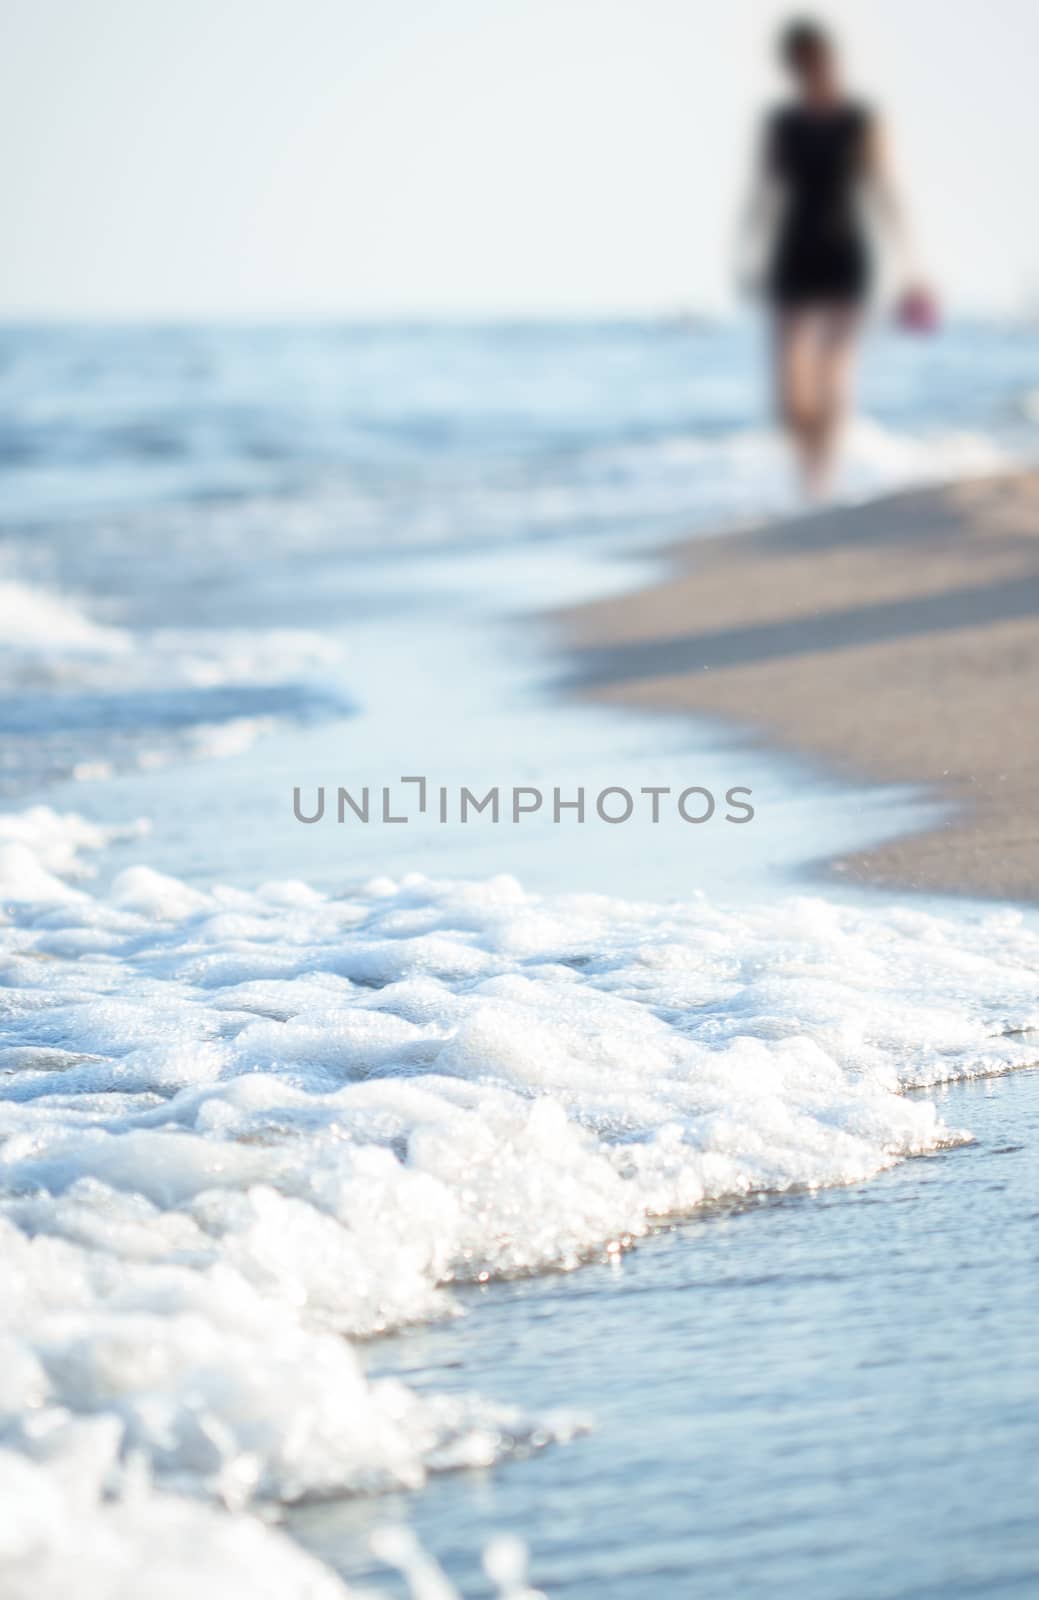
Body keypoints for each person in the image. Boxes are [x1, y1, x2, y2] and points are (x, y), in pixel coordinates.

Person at [742, 18, 913, 497]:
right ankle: (809, 470)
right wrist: (749, 251)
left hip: (844, 254)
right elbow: (762, 193)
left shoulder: (860, 119)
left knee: (834, 373)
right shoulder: (782, 124)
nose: (809, 70)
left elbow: (883, 190)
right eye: (799, 63)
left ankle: (820, 481)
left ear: (829, 59)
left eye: (814, 59)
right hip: (792, 254)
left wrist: (908, 262)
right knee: (792, 393)